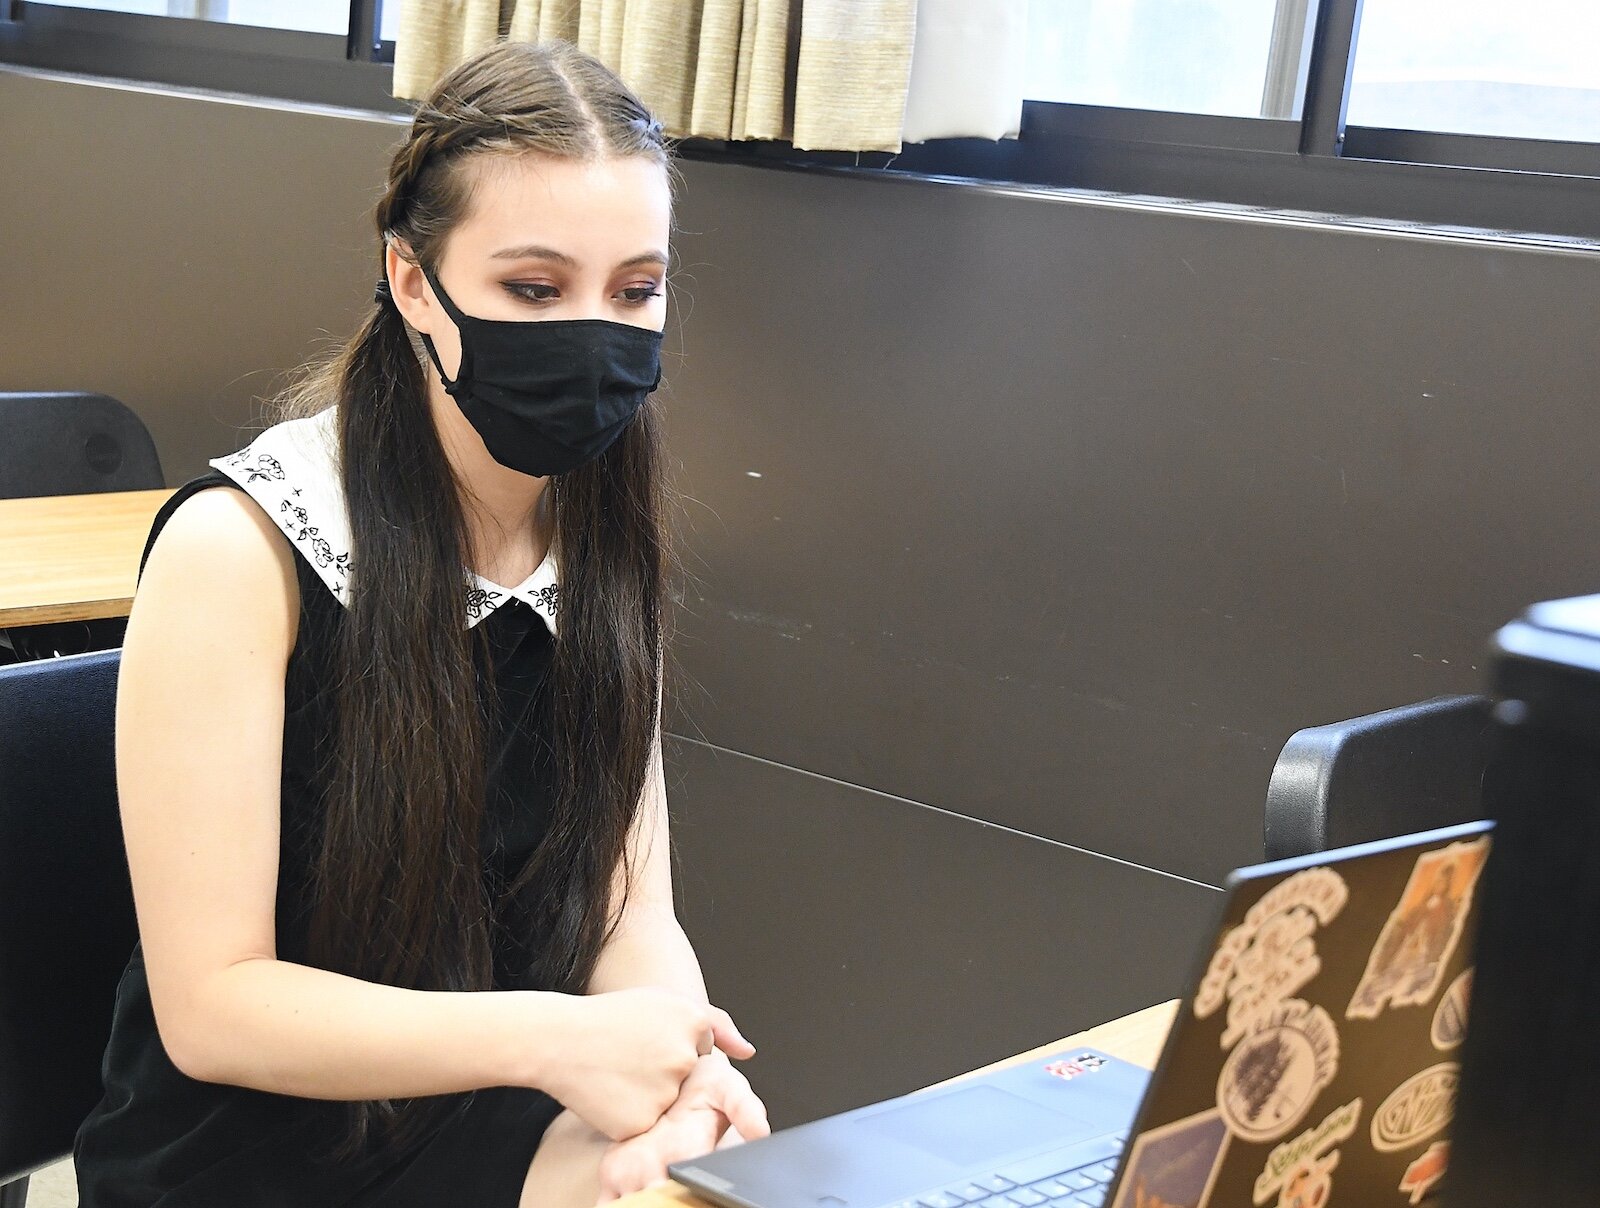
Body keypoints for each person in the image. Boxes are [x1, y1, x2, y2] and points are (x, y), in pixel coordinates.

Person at [72, 38, 769, 1208]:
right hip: (247, 1154)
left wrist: (674, 1068)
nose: (593, 333)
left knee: (697, 1186)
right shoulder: (239, 552)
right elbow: (212, 1008)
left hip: (484, 1109)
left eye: (635, 291)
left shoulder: (605, 536)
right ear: (411, 281)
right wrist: (553, 1041)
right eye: (534, 290)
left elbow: (629, 906)